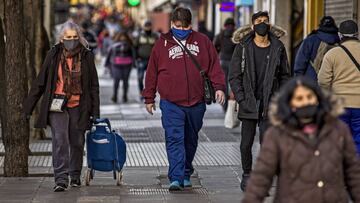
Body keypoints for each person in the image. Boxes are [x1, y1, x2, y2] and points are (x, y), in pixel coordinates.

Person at [142, 7, 226, 191]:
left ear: (191, 25)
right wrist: (149, 97)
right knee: (174, 138)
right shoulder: (161, 44)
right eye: (177, 25)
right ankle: (176, 177)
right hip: (171, 102)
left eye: (185, 26)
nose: (181, 29)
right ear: (172, 24)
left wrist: (219, 88)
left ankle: (186, 171)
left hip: (196, 102)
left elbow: (214, 67)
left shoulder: (203, 41)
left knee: (190, 139)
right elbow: (152, 73)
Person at [242, 76, 360, 203]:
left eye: (310, 97)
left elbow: (354, 173)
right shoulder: (277, 135)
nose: (306, 102)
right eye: (299, 98)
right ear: (290, 104)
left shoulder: (338, 130)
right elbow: (261, 177)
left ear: (318, 99)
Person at [23, 20, 100, 192]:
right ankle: (61, 179)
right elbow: (40, 82)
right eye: (67, 37)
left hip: (79, 105)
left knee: (77, 142)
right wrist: (28, 109)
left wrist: (95, 112)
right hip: (57, 105)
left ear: (79, 38)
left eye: (74, 37)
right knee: (60, 141)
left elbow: (94, 87)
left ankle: (74, 175)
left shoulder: (86, 56)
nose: (71, 40)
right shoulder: (53, 54)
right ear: (61, 38)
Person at [229, 11, 291, 191]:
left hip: (269, 104)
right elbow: (234, 76)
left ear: (269, 25)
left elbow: (285, 76)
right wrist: (241, 97)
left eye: (265, 21)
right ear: (252, 25)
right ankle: (247, 174)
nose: (262, 24)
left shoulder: (278, 47)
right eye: (258, 21)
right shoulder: (242, 47)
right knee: (246, 143)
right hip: (249, 102)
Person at [318, 20, 360, 155]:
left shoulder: (332, 54)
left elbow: (323, 81)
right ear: (357, 34)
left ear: (340, 34)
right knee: (358, 140)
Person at [294, 16, 339, 81]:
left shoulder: (310, 40)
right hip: (333, 84)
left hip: (312, 83)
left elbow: (300, 64)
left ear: (320, 25)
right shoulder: (340, 41)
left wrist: (298, 81)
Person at [105, 31, 135, 103]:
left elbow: (133, 54)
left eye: (124, 36)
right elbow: (109, 54)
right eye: (121, 36)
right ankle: (115, 96)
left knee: (125, 81)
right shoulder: (114, 44)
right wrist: (107, 63)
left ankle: (125, 96)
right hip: (116, 65)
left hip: (127, 65)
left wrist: (133, 63)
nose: (123, 38)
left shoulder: (130, 45)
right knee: (116, 81)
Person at [214, 18, 236, 111]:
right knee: (232, 83)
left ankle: (224, 105)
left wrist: (219, 53)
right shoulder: (236, 35)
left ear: (225, 25)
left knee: (224, 83)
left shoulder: (220, 35)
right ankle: (232, 104)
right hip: (233, 62)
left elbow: (214, 47)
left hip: (222, 61)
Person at [134, 20, 159, 100]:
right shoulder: (140, 36)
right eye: (146, 26)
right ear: (144, 27)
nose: (148, 28)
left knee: (151, 79)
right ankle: (141, 93)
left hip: (151, 60)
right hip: (141, 59)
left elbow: (159, 48)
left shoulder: (155, 36)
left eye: (149, 26)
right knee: (140, 77)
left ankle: (149, 93)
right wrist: (135, 58)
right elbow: (135, 47)